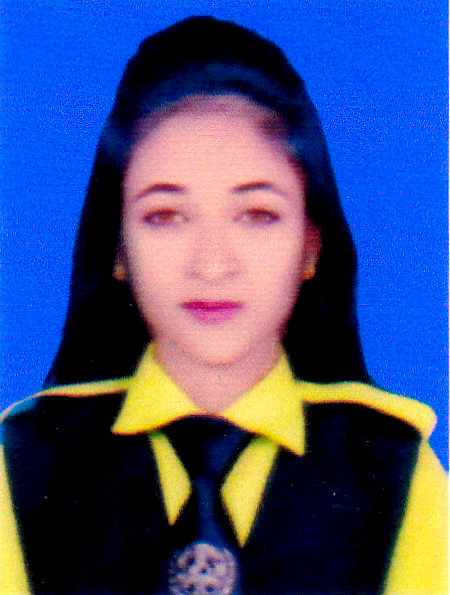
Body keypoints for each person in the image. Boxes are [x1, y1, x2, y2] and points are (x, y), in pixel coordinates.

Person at [1, 16, 447, 595]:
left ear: (312, 244)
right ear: (117, 248)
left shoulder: (397, 469)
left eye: (257, 215)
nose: (212, 265)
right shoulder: (22, 465)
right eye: (165, 216)